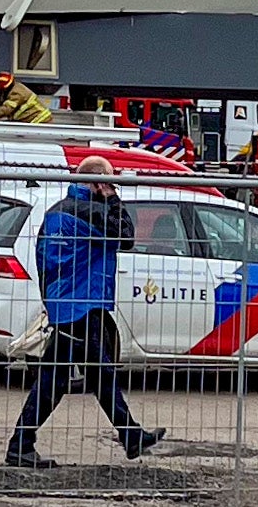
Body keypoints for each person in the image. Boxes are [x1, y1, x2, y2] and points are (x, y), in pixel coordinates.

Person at [9, 155, 164, 468]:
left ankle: (130, 435)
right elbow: (127, 236)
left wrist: (51, 302)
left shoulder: (59, 211)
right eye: (110, 180)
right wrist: (112, 196)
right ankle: (20, 444)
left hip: (69, 303)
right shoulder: (90, 211)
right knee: (60, 379)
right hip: (81, 304)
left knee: (95, 374)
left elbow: (45, 262)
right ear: (98, 183)